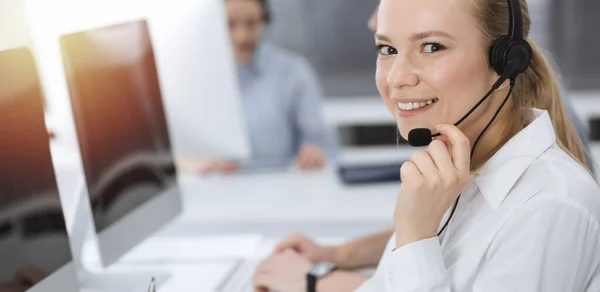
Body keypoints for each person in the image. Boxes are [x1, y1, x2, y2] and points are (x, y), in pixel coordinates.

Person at [253, 0, 600, 291]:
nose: (396, 78)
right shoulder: (456, 174)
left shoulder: (550, 205)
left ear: (505, 62)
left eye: (432, 47)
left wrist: (415, 233)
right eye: (387, 49)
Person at [189, 0, 337, 174]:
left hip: (281, 192)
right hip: (209, 191)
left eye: (251, 24)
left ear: (264, 21)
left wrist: (315, 155)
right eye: (229, 24)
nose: (241, 36)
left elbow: (325, 146)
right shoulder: (190, 74)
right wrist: (196, 164)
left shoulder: (292, 73)